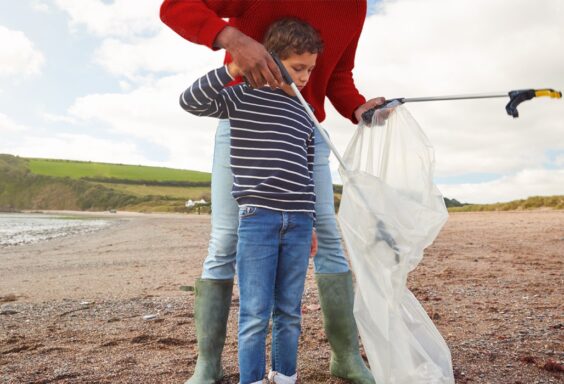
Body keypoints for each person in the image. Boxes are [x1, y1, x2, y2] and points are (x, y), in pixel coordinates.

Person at [160, 1, 383, 383]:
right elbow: (175, 7)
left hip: (304, 126)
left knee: (327, 236)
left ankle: (345, 357)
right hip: (245, 119)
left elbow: (337, 74)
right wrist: (232, 39)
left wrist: (358, 108)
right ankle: (208, 363)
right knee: (225, 239)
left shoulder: (356, 7)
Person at [181, 18, 322, 384]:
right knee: (256, 313)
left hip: (299, 220)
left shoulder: (305, 113)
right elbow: (190, 101)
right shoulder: (242, 95)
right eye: (297, 68)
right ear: (272, 61)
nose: (305, 77)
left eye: (310, 69)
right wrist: (233, 66)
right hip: (257, 218)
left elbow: (307, 173)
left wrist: (314, 225)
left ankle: (286, 376)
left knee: (289, 310)